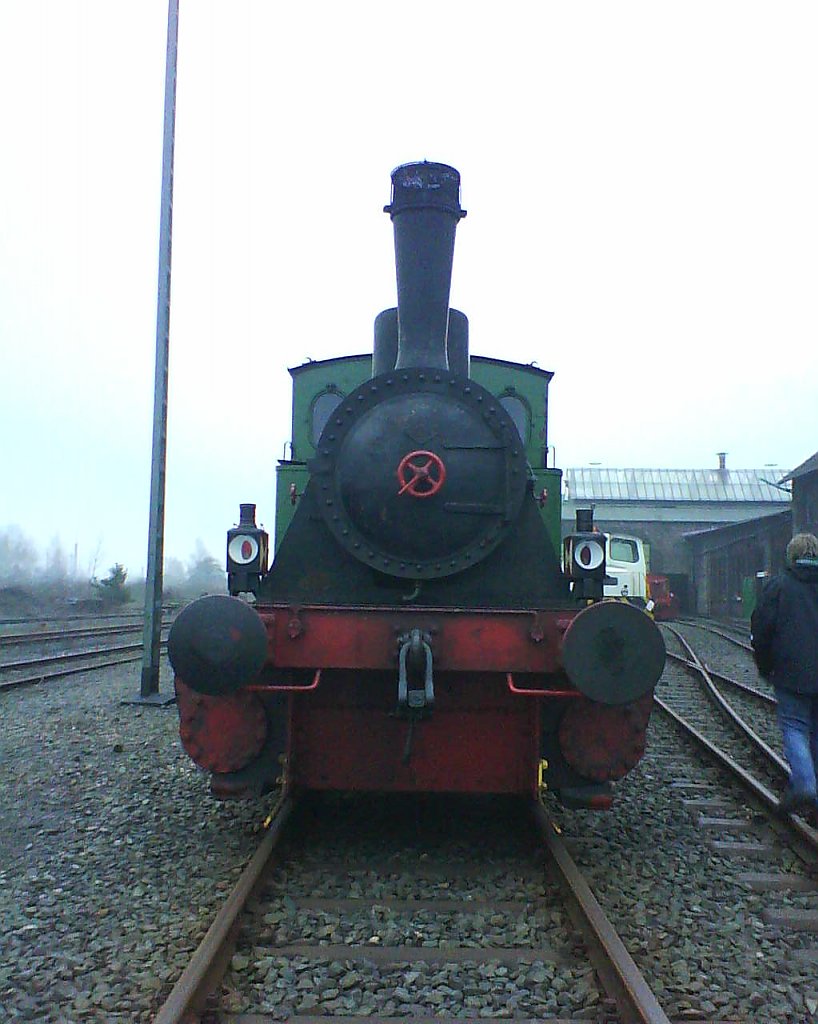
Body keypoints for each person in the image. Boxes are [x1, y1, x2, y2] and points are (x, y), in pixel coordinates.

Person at [751, 533, 818, 817]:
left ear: (791, 556)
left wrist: (765, 666)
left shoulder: (779, 586)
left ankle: (805, 785)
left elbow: (762, 630)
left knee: (795, 727)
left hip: (792, 672)